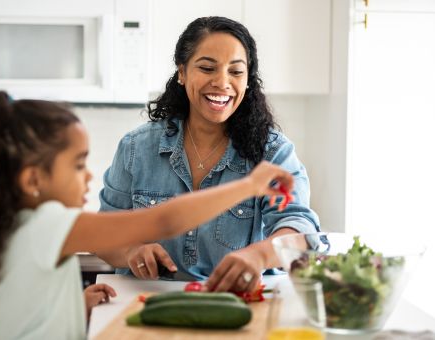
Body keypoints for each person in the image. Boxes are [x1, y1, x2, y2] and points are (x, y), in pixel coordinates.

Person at [0, 91, 294, 340]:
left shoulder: (12, 227)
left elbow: (22, 312)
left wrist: (72, 307)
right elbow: (164, 221)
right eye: (78, 164)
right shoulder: (49, 223)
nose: (88, 176)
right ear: (33, 179)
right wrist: (250, 184)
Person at [97, 16, 320, 293]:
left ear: (248, 79)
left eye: (236, 72)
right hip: (149, 299)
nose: (222, 82)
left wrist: (258, 255)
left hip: (240, 300)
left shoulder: (273, 151)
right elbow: (103, 234)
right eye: (207, 68)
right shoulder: (136, 148)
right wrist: (131, 251)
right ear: (182, 72)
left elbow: (300, 230)